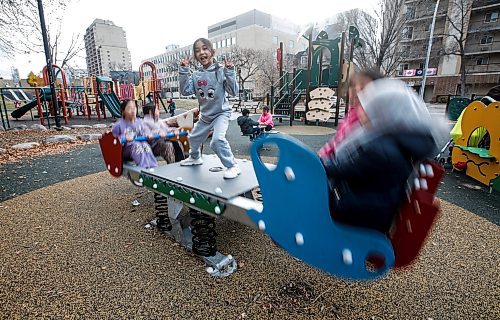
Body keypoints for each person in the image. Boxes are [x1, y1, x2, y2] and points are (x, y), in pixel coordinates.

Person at [322, 79, 446, 233]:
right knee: (328, 190)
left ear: (383, 113)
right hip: (378, 208)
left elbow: (347, 169)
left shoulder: (381, 148)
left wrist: (321, 164)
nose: (360, 112)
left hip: (366, 212)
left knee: (321, 201)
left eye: (368, 108)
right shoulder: (396, 142)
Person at [178, 37, 240, 179]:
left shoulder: (220, 71)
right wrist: (183, 71)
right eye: (197, 50)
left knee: (217, 140)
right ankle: (195, 158)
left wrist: (230, 72)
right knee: (193, 138)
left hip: (221, 114)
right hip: (205, 115)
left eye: (205, 48)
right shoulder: (196, 75)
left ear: (212, 51)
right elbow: (186, 91)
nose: (201, 52)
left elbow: (233, 92)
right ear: (195, 56)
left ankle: (232, 166)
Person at [319, 69, 383, 159]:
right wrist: (323, 153)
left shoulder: (366, 117)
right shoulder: (351, 113)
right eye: (353, 85)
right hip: (333, 157)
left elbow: (349, 145)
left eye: (363, 87)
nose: (355, 90)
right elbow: (337, 140)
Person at [112, 99, 157, 169]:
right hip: (126, 149)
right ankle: (144, 168)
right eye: (129, 108)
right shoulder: (119, 125)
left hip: (137, 145)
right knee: (137, 145)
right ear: (123, 111)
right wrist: (123, 138)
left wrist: (147, 134)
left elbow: (142, 132)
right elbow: (113, 139)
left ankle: (153, 166)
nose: (133, 110)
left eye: (134, 108)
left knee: (145, 145)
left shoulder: (138, 122)